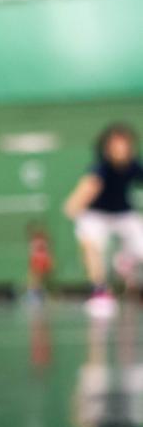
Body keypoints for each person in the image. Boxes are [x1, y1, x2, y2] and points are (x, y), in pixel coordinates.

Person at [64, 123, 143, 317]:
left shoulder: (134, 166)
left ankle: (125, 261)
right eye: (116, 146)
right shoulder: (100, 169)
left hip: (124, 214)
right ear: (107, 148)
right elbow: (85, 190)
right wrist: (75, 204)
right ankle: (99, 291)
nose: (121, 150)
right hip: (96, 214)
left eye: (124, 145)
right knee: (91, 243)